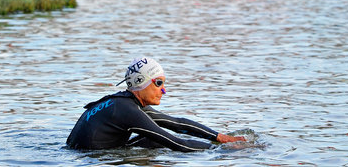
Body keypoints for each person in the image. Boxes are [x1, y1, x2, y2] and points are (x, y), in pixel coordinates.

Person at [67, 57, 245, 152]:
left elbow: (176, 123)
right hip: (91, 158)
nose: (164, 90)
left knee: (153, 139)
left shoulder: (122, 103)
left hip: (81, 153)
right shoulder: (127, 110)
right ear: (140, 82)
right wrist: (225, 150)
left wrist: (220, 137)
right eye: (158, 83)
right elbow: (177, 143)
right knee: (159, 140)